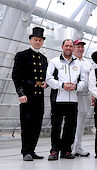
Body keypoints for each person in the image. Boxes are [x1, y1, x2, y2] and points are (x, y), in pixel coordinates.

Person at [46, 39, 86, 160]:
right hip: (58, 99)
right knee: (56, 126)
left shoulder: (79, 64)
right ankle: (54, 151)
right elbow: (48, 79)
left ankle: (66, 151)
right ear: (62, 47)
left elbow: (83, 81)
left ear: (73, 48)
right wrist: (62, 85)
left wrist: (76, 87)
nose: (68, 48)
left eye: (71, 46)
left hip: (73, 100)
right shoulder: (54, 62)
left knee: (70, 126)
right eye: (66, 46)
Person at [12, 27, 48, 161]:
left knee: (37, 124)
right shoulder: (22, 55)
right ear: (30, 40)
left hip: (39, 96)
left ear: (42, 42)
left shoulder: (44, 59)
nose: (38, 42)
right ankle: (25, 151)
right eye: (35, 40)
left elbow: (46, 77)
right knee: (27, 124)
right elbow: (16, 76)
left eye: (40, 40)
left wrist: (46, 83)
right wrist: (20, 93)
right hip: (27, 95)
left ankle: (32, 150)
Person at [71, 39, 91, 157]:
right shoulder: (70, 62)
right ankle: (71, 146)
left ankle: (77, 146)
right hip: (73, 95)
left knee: (81, 122)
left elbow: (91, 79)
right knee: (72, 121)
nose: (80, 49)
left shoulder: (87, 63)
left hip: (85, 95)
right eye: (78, 46)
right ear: (73, 48)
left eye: (82, 47)